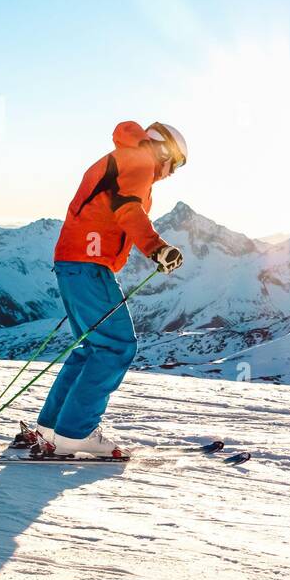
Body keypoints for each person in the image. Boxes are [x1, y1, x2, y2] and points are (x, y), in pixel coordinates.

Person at [33, 121, 187, 458]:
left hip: (73, 262)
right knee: (116, 347)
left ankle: (51, 428)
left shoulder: (122, 158)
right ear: (164, 151)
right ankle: (75, 433)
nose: (171, 173)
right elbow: (127, 210)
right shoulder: (139, 162)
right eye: (175, 164)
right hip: (88, 265)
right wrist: (156, 248)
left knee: (90, 349)